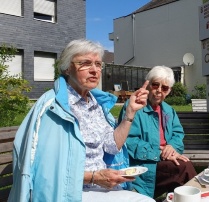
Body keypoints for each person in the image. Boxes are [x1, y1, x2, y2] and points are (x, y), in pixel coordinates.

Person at [8, 39, 155, 202]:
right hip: (68, 193)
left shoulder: (96, 104)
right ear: (67, 68)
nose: (95, 70)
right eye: (85, 63)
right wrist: (94, 177)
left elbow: (111, 147)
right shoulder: (53, 108)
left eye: (98, 64)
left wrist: (130, 113)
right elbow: (44, 168)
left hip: (101, 187)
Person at [118, 65, 197, 198]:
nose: (159, 90)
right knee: (184, 168)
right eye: (155, 85)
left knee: (181, 169)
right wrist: (160, 153)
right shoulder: (134, 107)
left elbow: (178, 134)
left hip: (165, 161)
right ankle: (199, 196)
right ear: (148, 85)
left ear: (169, 91)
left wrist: (171, 147)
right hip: (144, 165)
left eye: (164, 88)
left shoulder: (168, 110)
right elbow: (129, 141)